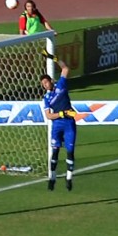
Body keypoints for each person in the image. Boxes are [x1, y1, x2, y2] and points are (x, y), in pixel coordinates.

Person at [40, 55, 77, 191]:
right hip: (57, 125)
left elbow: (65, 68)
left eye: (46, 82)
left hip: (69, 124)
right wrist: (61, 114)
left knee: (70, 152)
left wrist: (53, 58)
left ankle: (68, 178)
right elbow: (49, 116)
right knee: (54, 152)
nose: (45, 85)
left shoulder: (61, 85)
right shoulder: (46, 99)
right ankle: (53, 178)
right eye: (43, 84)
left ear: (51, 81)